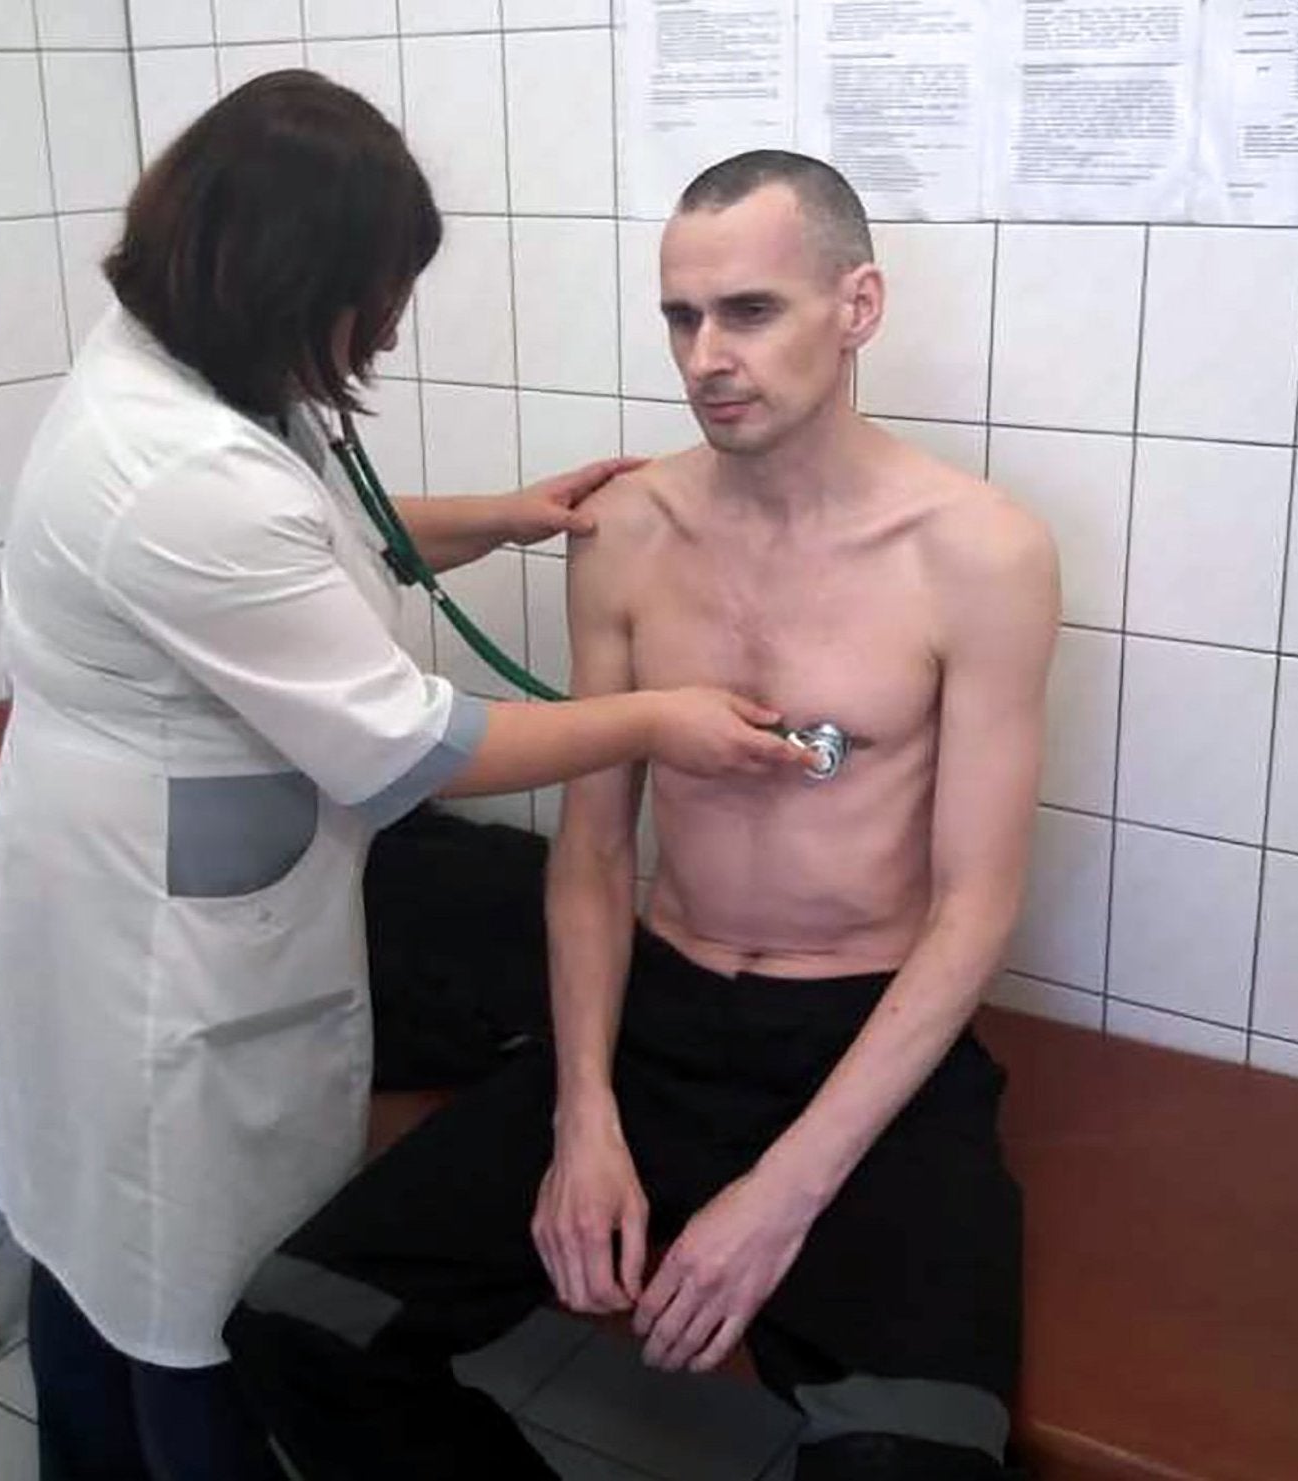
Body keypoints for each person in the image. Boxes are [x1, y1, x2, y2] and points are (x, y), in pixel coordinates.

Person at [0, 77, 807, 1481]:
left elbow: (313, 535)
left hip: (146, 859)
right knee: (180, 1283)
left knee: (99, 1237)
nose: (396, 323)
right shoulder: (169, 467)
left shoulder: (187, 369)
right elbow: (416, 743)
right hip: (157, 944)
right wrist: (662, 715)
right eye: (380, 291)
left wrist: (508, 513)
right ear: (290, 277)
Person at [224, 150, 1059, 1479]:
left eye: (751, 311)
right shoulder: (627, 530)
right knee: (300, 1327)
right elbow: (596, 852)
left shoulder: (980, 553)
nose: (707, 356)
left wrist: (779, 1196)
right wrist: (584, 1116)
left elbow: (975, 909)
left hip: (864, 1036)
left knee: (918, 1458)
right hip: (657, 1018)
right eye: (682, 317)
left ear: (858, 307)